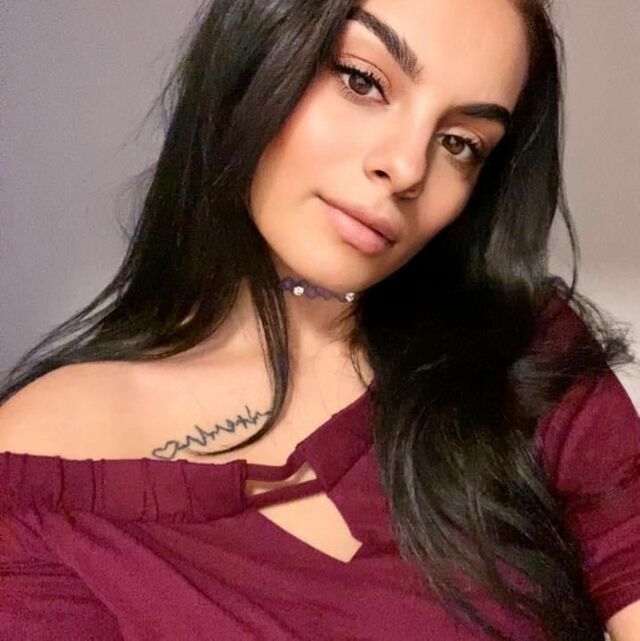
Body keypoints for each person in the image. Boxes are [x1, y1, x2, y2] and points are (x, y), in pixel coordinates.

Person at [0, 0, 638, 639]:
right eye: (363, 81)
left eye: (460, 143)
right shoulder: (34, 482)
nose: (407, 168)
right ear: (254, 53)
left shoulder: (519, 357)